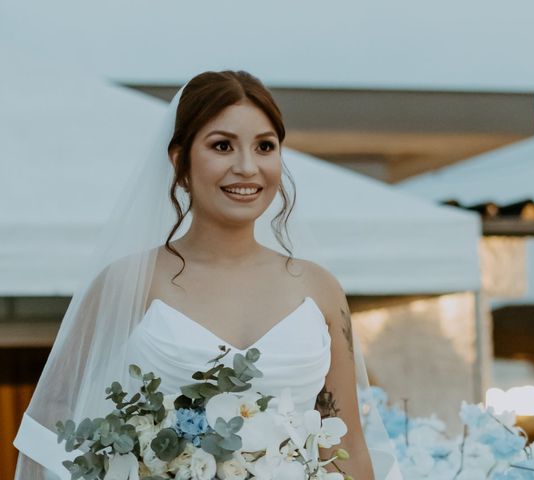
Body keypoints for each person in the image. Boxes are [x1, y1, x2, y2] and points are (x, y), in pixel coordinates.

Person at [13, 70, 402, 479]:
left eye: (264, 146)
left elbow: (348, 447)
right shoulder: (130, 280)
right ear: (180, 161)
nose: (247, 167)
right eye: (222, 146)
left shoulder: (318, 288)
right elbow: (48, 418)